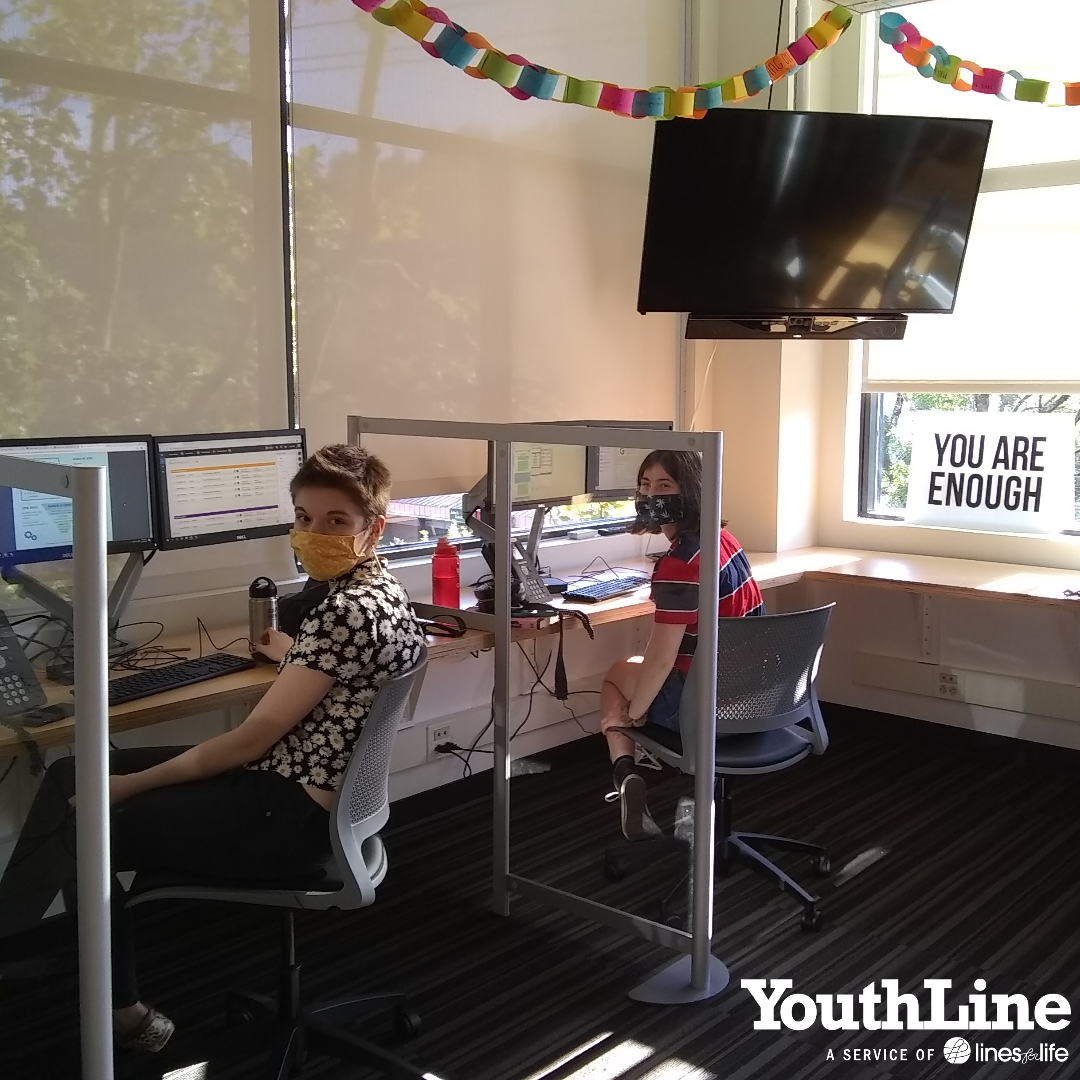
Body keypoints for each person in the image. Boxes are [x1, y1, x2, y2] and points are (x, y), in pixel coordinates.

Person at [0, 444, 425, 1052]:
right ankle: (26, 947)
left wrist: (125, 789)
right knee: (74, 769)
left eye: (336, 521)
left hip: (284, 816)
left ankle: (114, 1005)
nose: (312, 533)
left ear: (372, 527)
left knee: (82, 816)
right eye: (303, 517)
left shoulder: (341, 614)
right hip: (320, 799)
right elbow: (337, 669)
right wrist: (290, 656)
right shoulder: (378, 593)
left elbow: (244, 742)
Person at [599, 450, 764, 841]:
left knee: (618, 673)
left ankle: (626, 773)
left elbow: (660, 659)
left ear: (689, 491)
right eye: (644, 485)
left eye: (664, 485)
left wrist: (632, 715)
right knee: (633, 669)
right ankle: (629, 775)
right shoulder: (724, 540)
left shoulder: (681, 562)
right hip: (754, 696)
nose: (651, 495)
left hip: (709, 709)